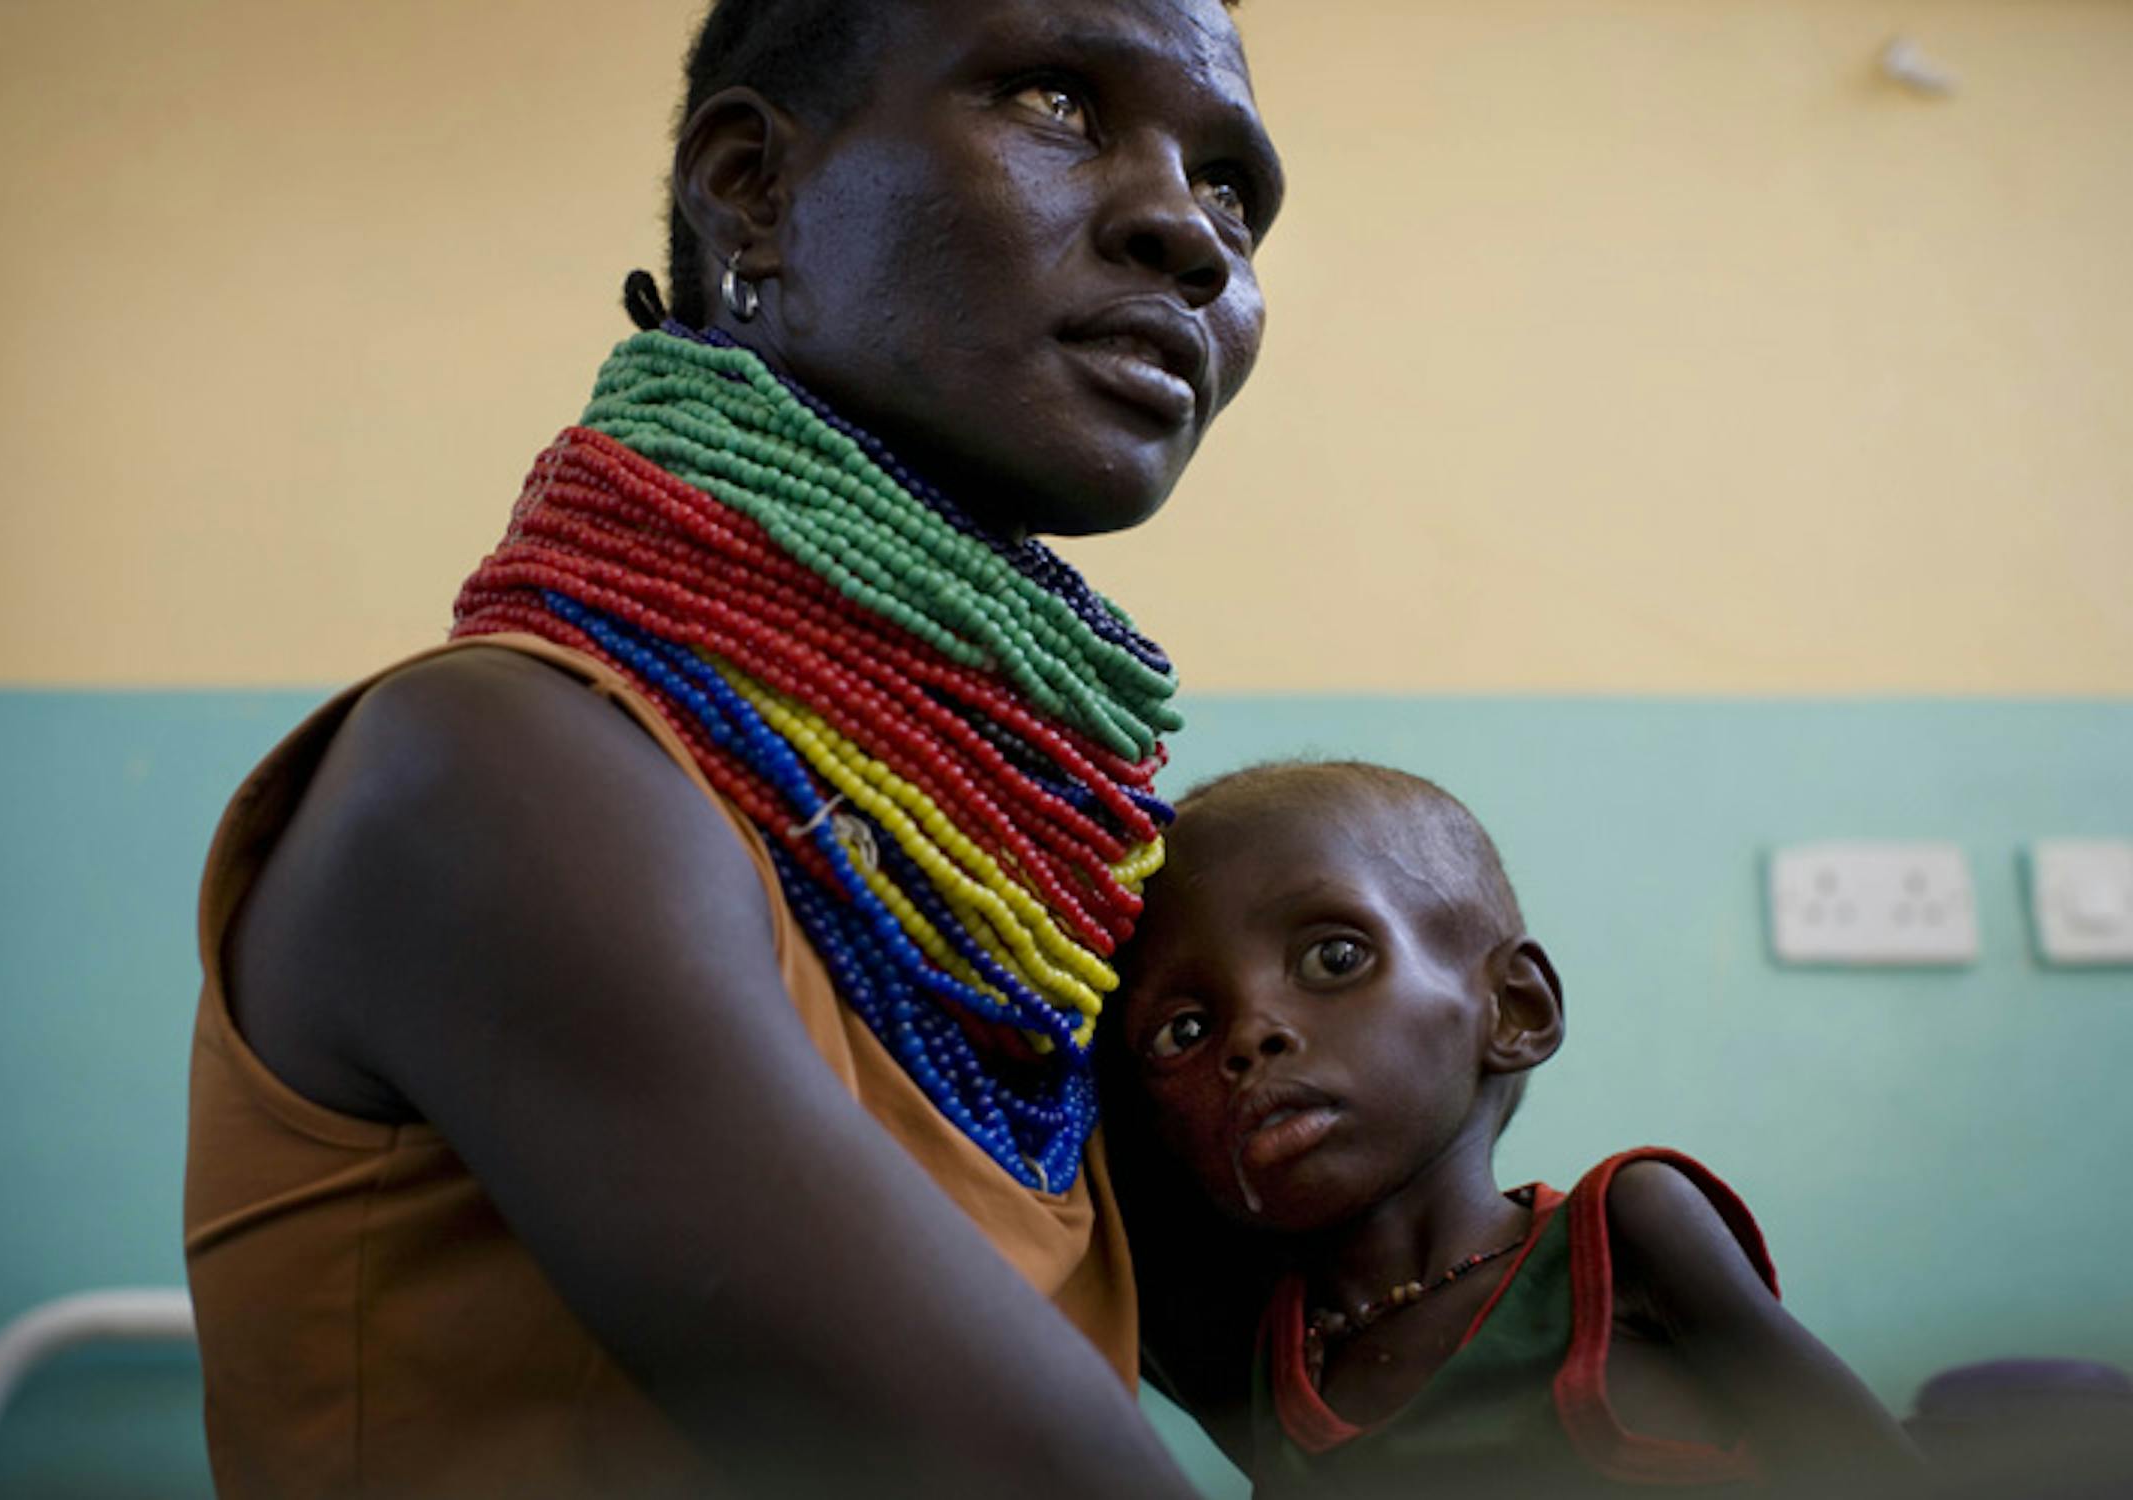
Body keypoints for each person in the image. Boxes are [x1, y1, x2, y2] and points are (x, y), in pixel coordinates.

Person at [181, 1, 1285, 1497]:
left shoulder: (1006, 917)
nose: (1189, 229)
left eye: (1234, 186)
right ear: (753, 190)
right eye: (1054, 101)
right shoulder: (501, 771)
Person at [1108, 761, 1926, 1497]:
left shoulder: (1622, 1236)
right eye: (1183, 1031)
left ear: (1515, 1010)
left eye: (1334, 958)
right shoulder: (1275, 1357)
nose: (1250, 1034)